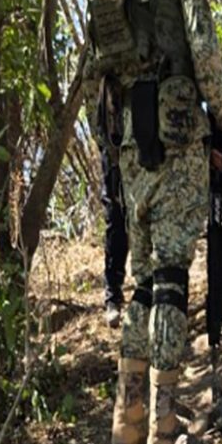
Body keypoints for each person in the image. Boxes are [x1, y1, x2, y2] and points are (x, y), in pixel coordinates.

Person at [87, 0, 222, 444]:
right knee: (171, 274)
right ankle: (164, 427)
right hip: (176, 129)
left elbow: (97, 65)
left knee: (142, 279)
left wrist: (116, 139)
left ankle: (126, 423)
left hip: (129, 138)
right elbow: (203, 47)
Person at [94, 77, 128, 328]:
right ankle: (113, 297)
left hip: (146, 135)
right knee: (115, 219)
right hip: (113, 140)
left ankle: (151, 294)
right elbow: (91, 84)